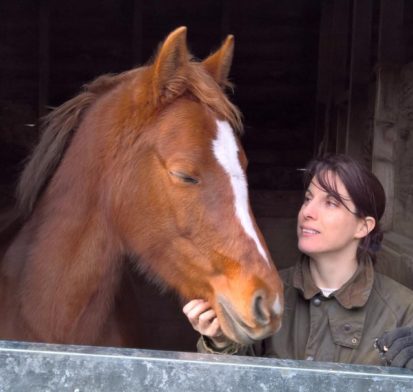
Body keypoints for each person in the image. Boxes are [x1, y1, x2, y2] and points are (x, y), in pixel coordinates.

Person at [183, 154, 413, 369]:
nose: (308, 212)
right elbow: (231, 380)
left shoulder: (404, 309)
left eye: (331, 203)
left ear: (363, 226)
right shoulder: (263, 294)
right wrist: (221, 341)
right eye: (308, 199)